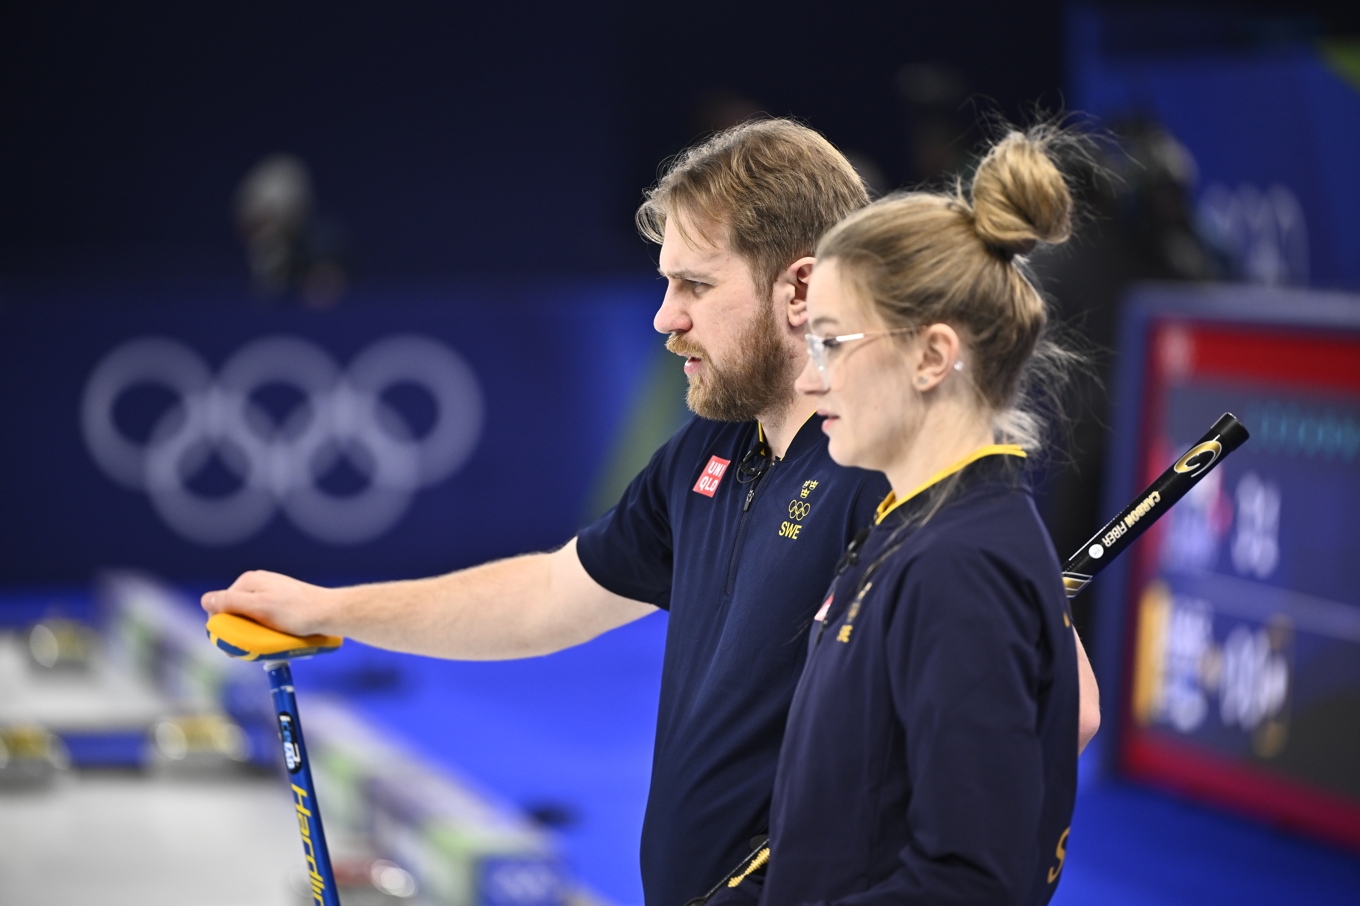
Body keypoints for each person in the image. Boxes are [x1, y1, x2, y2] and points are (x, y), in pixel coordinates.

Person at [202, 119, 1097, 906]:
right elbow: (546, 597)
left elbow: (1059, 713)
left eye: (695, 286)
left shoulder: (885, 469)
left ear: (797, 289)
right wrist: (330, 609)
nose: (666, 317)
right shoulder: (710, 451)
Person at [756, 128, 1089, 906]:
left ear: (933, 356)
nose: (808, 381)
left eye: (831, 344)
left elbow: (967, 882)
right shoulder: (910, 529)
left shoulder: (959, 567)